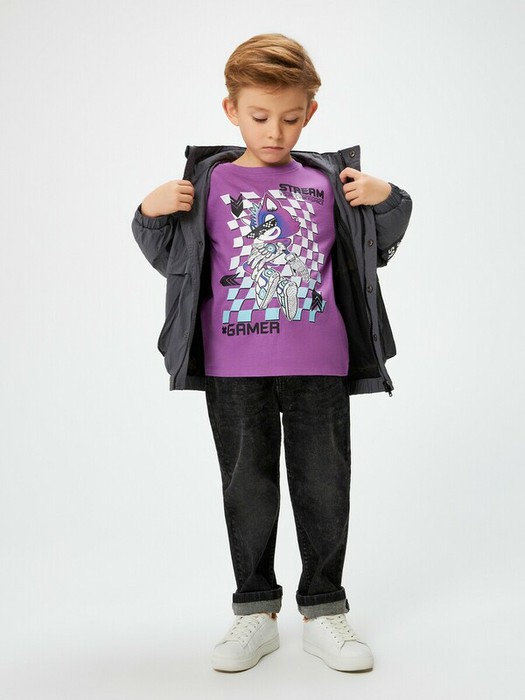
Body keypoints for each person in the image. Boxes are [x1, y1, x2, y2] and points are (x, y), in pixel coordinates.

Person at [131, 33, 412, 673]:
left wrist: (388, 197)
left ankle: (324, 608)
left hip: (320, 363)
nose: (275, 132)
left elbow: (378, 244)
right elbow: (172, 261)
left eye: (290, 118)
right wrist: (148, 212)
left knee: (325, 485)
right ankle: (255, 611)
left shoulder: (327, 180)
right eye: (259, 117)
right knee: (247, 487)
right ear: (231, 110)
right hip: (233, 368)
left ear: (310, 112)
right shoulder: (208, 181)